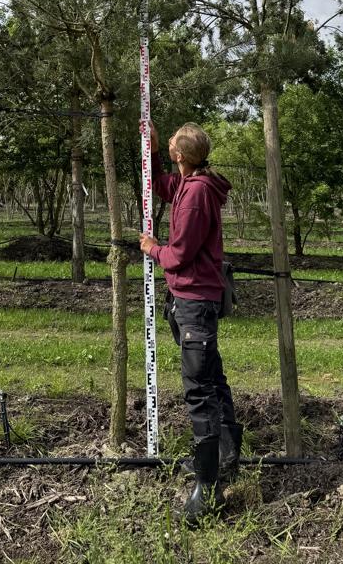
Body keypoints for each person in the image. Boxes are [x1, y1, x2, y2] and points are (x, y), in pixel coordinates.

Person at [139, 121, 242, 524]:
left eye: (168, 148)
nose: (166, 152)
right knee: (211, 377)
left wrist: (153, 249)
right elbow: (160, 185)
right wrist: (146, 151)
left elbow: (180, 252)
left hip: (196, 299)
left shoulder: (197, 195)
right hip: (192, 298)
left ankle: (209, 486)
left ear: (181, 155)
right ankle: (225, 456)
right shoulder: (188, 183)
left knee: (198, 388)